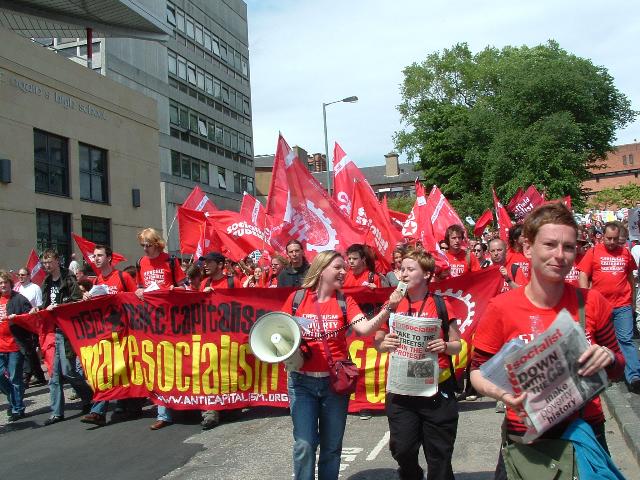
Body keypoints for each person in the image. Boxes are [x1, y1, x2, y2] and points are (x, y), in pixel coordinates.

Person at [470, 203, 625, 478]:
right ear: (528, 249)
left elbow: (618, 365)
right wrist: (505, 396)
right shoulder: (501, 307)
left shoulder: (592, 302)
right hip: (526, 438)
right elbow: (477, 372)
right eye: (550, 245)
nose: (560, 255)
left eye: (568, 246)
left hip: (584, 432)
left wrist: (609, 357)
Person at [281, 250, 403, 480]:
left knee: (331, 446)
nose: (343, 271)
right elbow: (279, 332)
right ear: (322, 269)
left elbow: (365, 329)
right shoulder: (297, 299)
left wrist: (388, 307)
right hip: (301, 383)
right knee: (304, 445)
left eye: (344, 267)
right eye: (337, 267)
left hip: (334, 384)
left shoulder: (345, 301)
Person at [375, 249, 461, 480]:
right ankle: (411, 473)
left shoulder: (440, 304)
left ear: (426, 275)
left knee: (439, 455)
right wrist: (385, 343)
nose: (403, 273)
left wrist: (444, 346)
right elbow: (378, 341)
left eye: (410, 269)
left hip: (436, 389)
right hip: (402, 391)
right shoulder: (392, 304)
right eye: (401, 269)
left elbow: (457, 344)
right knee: (402, 449)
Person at [578, 221, 640, 392]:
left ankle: (634, 376)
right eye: (608, 238)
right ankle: (608, 373)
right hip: (600, 307)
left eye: (615, 239)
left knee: (625, 340)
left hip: (622, 305)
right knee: (604, 342)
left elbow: (630, 277)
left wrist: (632, 301)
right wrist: (585, 299)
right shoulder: (593, 252)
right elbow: (583, 274)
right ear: (602, 237)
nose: (612, 242)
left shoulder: (626, 253)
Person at [81, 245, 139, 427]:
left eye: (100, 255)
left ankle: (122, 404)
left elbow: (136, 299)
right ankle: (100, 410)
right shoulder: (97, 281)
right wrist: (88, 299)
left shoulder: (123, 277)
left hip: (125, 331)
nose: (96, 259)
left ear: (109, 258)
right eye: (94, 256)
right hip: (106, 332)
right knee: (107, 370)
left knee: (122, 370)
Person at [134, 228, 186, 430]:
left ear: (157, 243)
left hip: (172, 321)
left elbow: (185, 286)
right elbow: (138, 287)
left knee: (176, 365)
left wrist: (174, 290)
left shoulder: (170, 261)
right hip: (151, 322)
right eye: (143, 246)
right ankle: (163, 413)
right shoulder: (141, 263)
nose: (145, 249)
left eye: (148, 245)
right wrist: (138, 290)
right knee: (158, 367)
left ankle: (183, 404)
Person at [39, 249, 93, 426]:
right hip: (53, 331)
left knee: (68, 370)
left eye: (49, 261)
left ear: (57, 261)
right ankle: (57, 412)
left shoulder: (68, 277)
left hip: (66, 330)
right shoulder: (46, 281)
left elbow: (76, 300)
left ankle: (88, 397)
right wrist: (39, 309)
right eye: (44, 262)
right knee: (54, 375)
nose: (47, 265)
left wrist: (59, 307)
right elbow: (45, 304)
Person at [0, 270, 33, 421]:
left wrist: (17, 320)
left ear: (10, 283)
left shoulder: (19, 299)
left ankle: (17, 408)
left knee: (15, 378)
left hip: (14, 345)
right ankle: (14, 400)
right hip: (0, 346)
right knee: (1, 377)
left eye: (5, 282)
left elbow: (30, 318)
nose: (3, 285)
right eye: (0, 283)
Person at [15, 267, 46, 388]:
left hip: (32, 322)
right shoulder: (17, 288)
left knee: (29, 350)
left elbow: (39, 305)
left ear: (29, 276)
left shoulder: (35, 288)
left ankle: (26, 375)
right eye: (19, 275)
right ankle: (39, 375)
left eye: (23, 275)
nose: (20, 277)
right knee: (29, 350)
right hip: (19, 322)